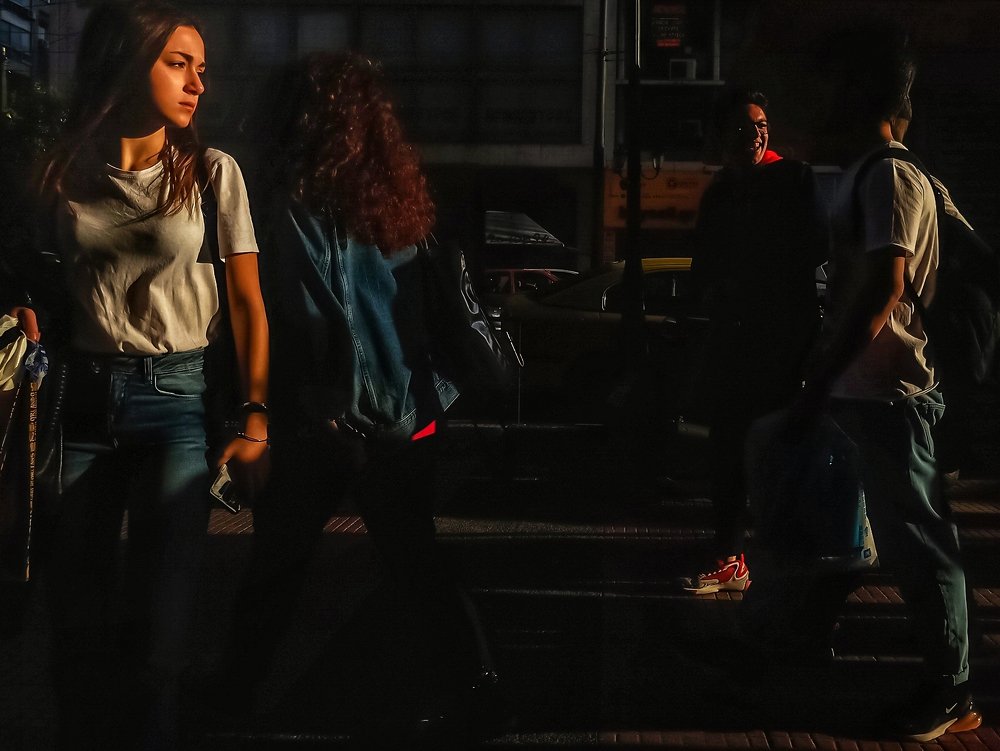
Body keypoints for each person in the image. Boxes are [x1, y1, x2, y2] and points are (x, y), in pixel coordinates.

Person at [214, 52, 497, 746]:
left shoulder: (277, 199)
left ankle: (229, 706)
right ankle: (473, 692)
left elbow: (270, 316)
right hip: (384, 416)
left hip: (332, 418)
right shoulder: (392, 198)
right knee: (412, 565)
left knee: (283, 573)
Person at [23, 2, 270, 749]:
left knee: (160, 629)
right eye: (178, 61)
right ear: (131, 63)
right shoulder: (60, 167)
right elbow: (32, 276)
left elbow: (249, 303)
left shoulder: (211, 172)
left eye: (202, 65)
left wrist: (255, 415)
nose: (199, 79)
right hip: (82, 402)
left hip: (177, 402)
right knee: (77, 624)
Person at [795, 24, 980, 740]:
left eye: (830, 89)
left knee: (921, 543)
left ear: (857, 95)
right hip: (871, 396)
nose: (819, 106)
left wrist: (821, 376)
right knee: (898, 539)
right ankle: (944, 674)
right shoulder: (876, 173)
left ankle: (952, 688)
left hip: (894, 395)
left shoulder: (891, 176)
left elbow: (882, 290)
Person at [686, 89, 826, 593]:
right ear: (724, 136)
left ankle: (782, 561)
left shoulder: (794, 178)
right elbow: (703, 262)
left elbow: (814, 247)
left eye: (762, 124)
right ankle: (732, 557)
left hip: (782, 343)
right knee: (728, 452)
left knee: (780, 453)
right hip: (734, 342)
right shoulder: (722, 190)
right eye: (746, 127)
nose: (758, 133)